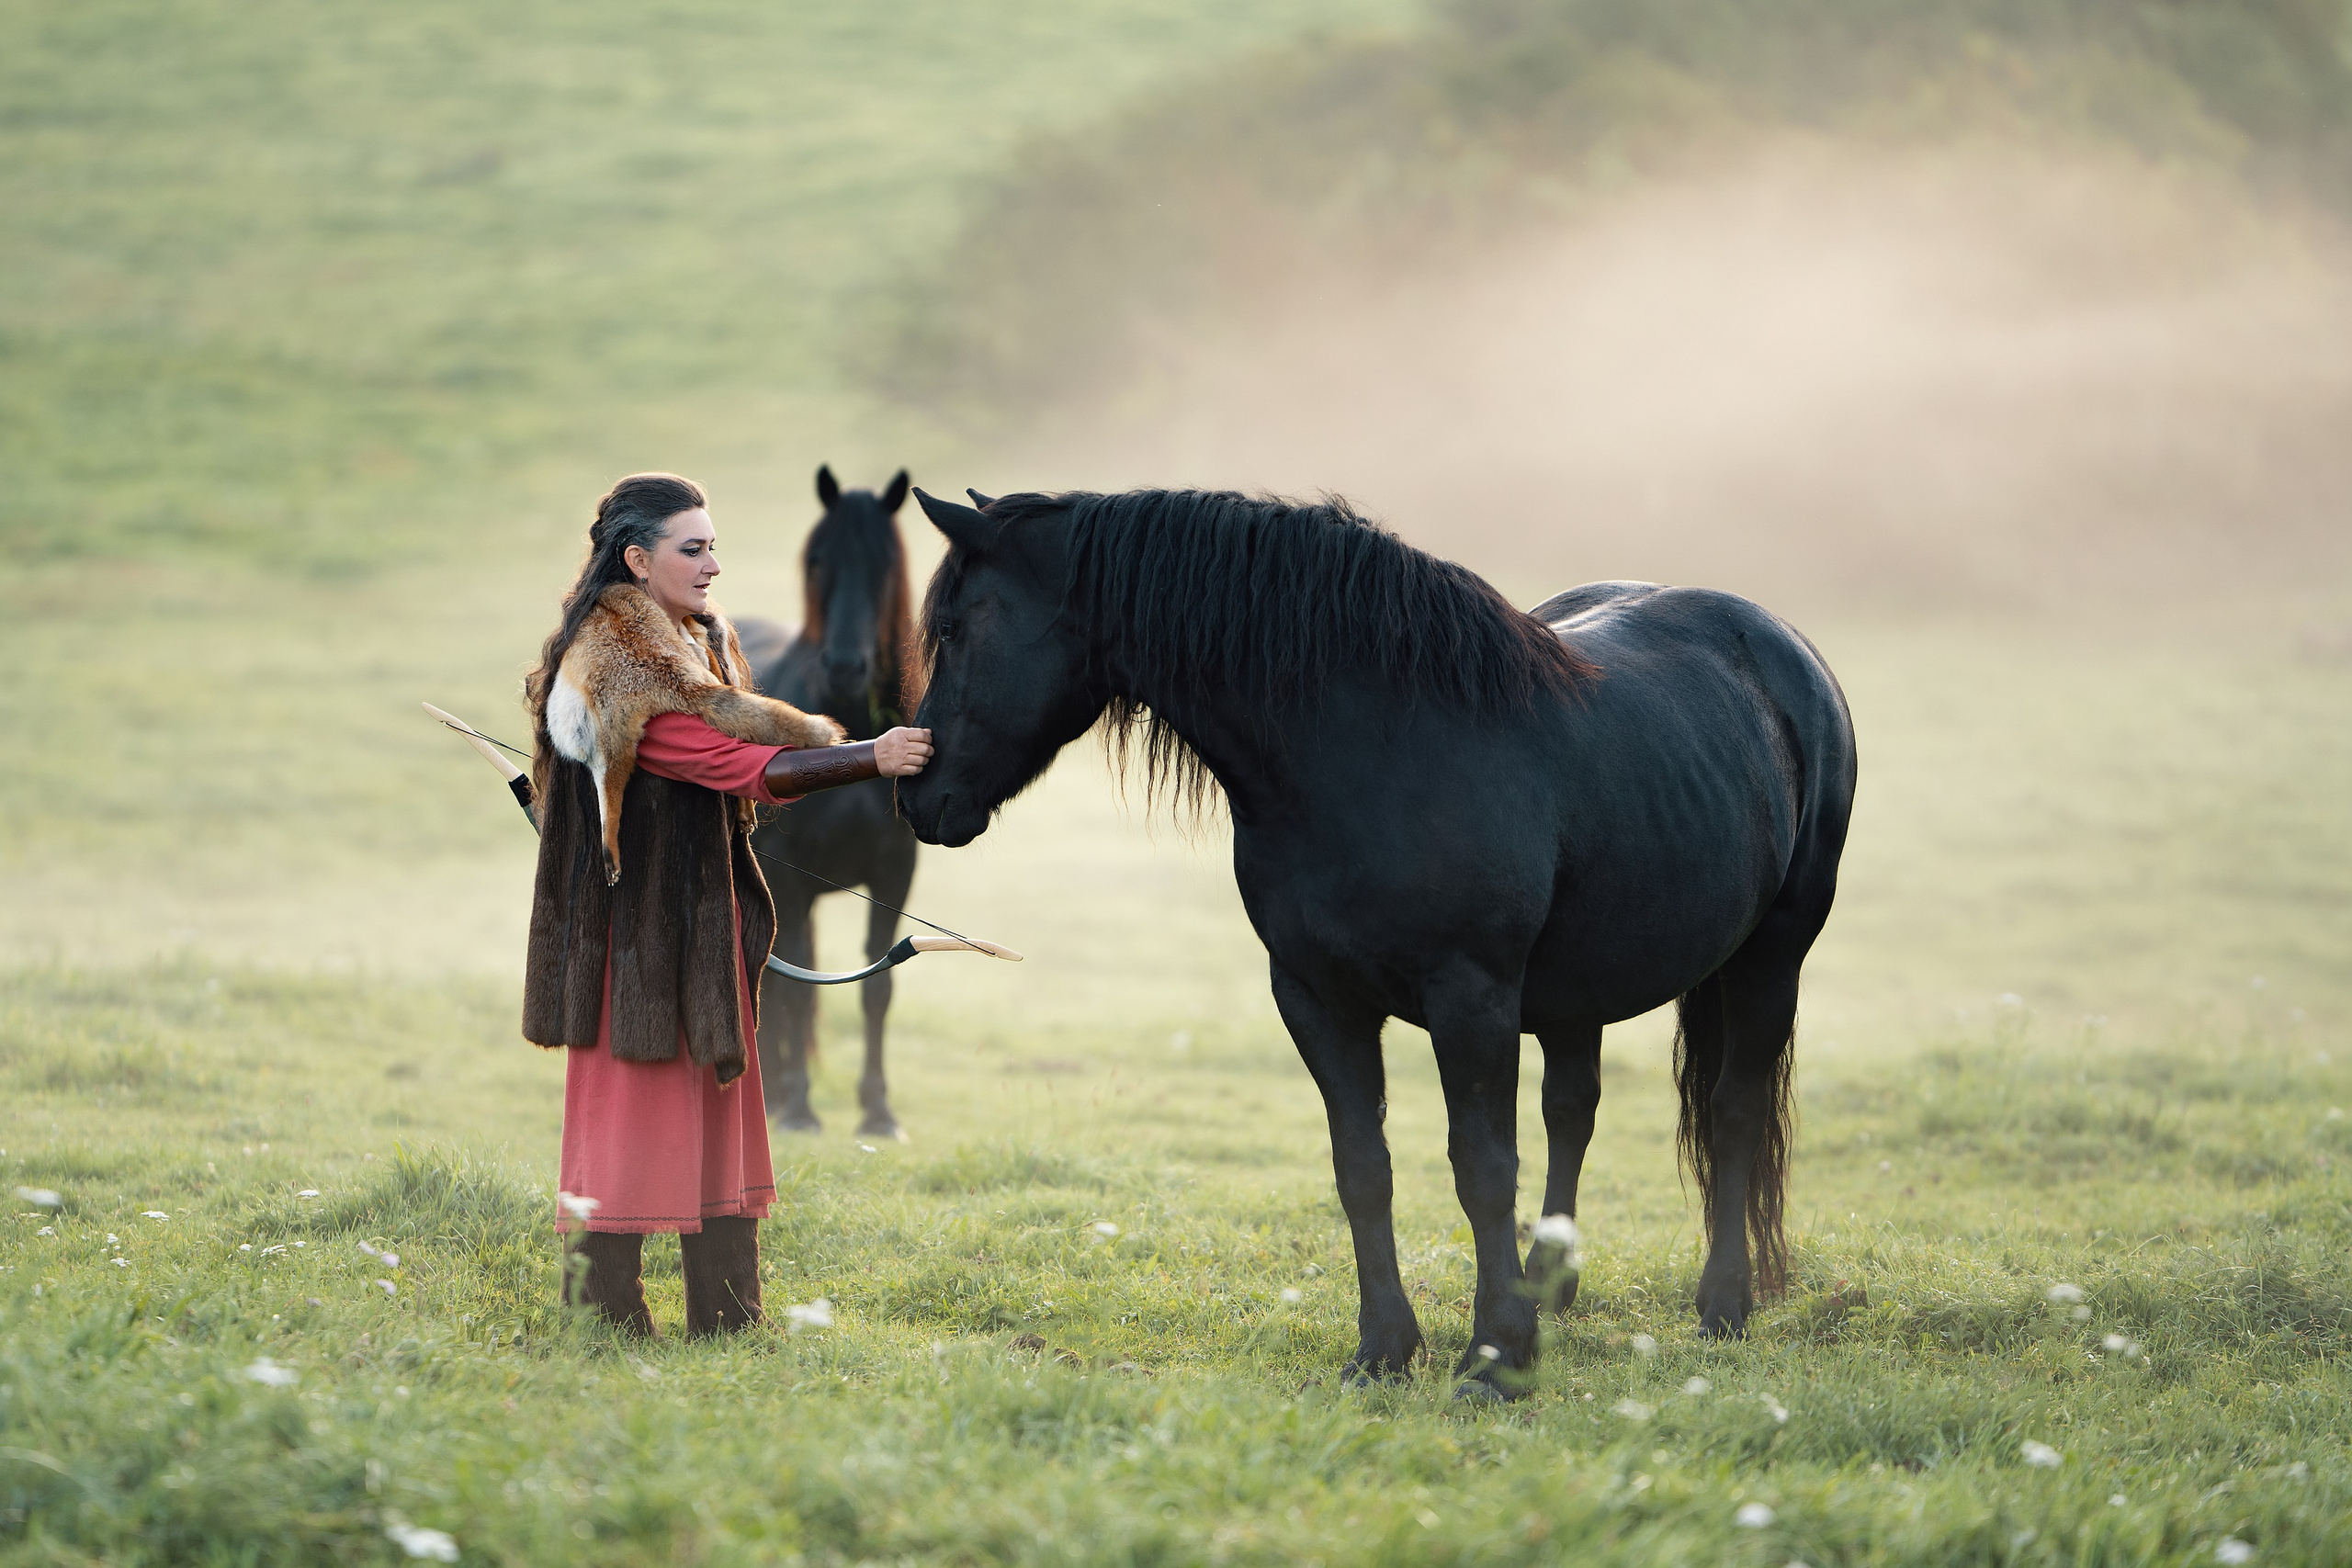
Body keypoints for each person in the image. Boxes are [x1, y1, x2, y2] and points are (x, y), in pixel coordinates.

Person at [520, 472, 932, 1337]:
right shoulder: (619, 667)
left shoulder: (701, 646)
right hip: (632, 944)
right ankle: (602, 1314)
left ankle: (728, 1314)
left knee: (719, 1113)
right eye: (692, 548)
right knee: (631, 1120)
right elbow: (735, 767)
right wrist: (871, 754)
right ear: (637, 560)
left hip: (703, 927)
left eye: (714, 545)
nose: (714, 564)